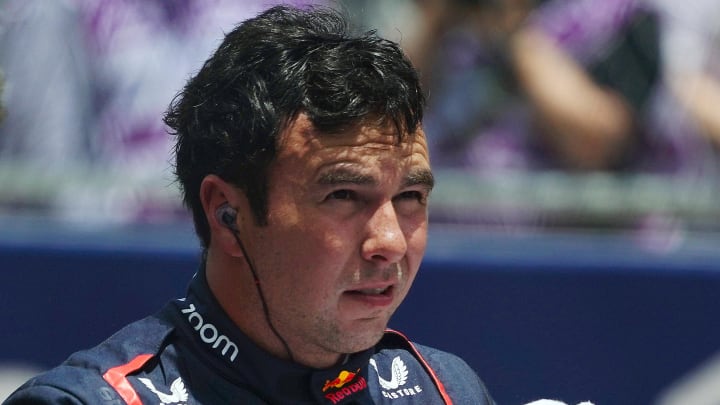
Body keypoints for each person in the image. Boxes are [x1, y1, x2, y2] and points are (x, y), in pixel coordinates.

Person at [3, 5, 496, 404]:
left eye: (410, 197)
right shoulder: (85, 402)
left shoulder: (445, 390)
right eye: (344, 196)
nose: (389, 242)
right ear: (227, 213)